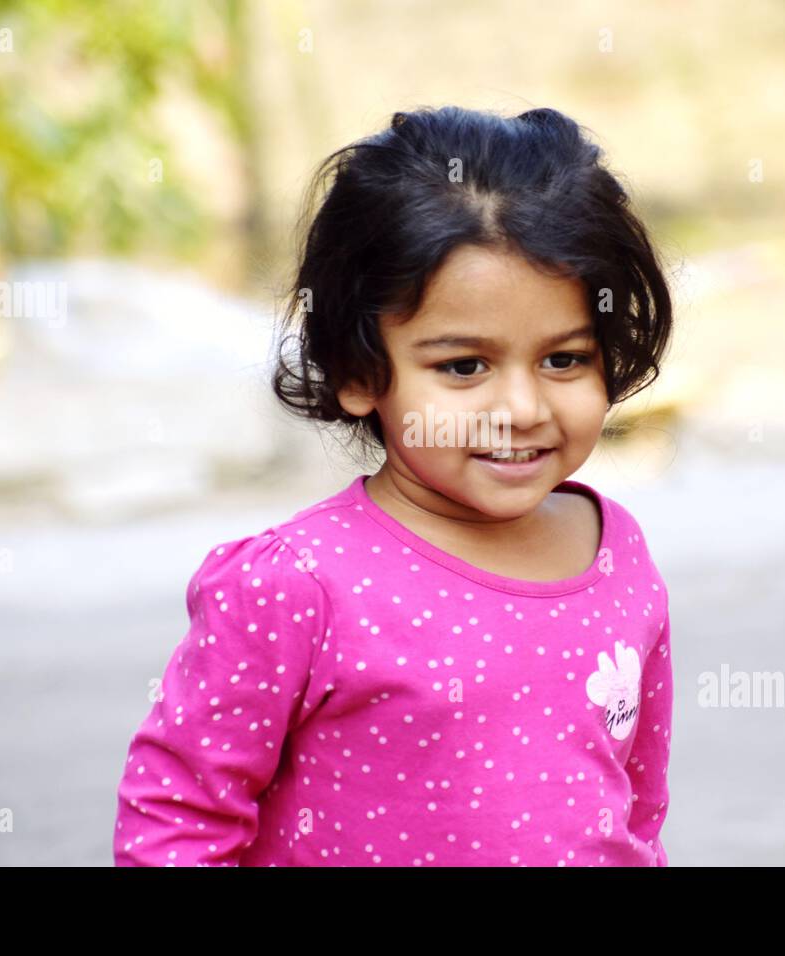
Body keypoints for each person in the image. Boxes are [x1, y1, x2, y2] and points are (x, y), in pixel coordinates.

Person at [112, 105, 676, 866]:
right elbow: (177, 822)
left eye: (565, 359)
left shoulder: (617, 556)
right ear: (355, 371)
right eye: (463, 367)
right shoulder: (296, 586)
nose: (523, 409)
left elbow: (635, 809)